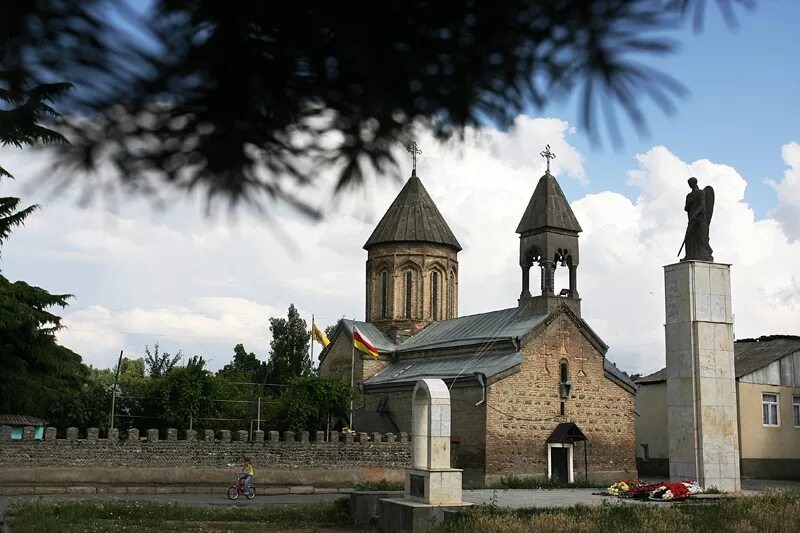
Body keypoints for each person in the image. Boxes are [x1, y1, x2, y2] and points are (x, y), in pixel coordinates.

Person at [681, 177, 714, 262]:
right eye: (689, 184)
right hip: (692, 220)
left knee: (702, 238)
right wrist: (690, 202)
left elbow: (702, 205)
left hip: (700, 218)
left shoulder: (701, 192)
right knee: (689, 238)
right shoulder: (689, 195)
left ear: (694, 183)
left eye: (691, 183)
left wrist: (696, 213)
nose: (690, 185)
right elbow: (686, 208)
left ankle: (706, 254)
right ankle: (689, 255)